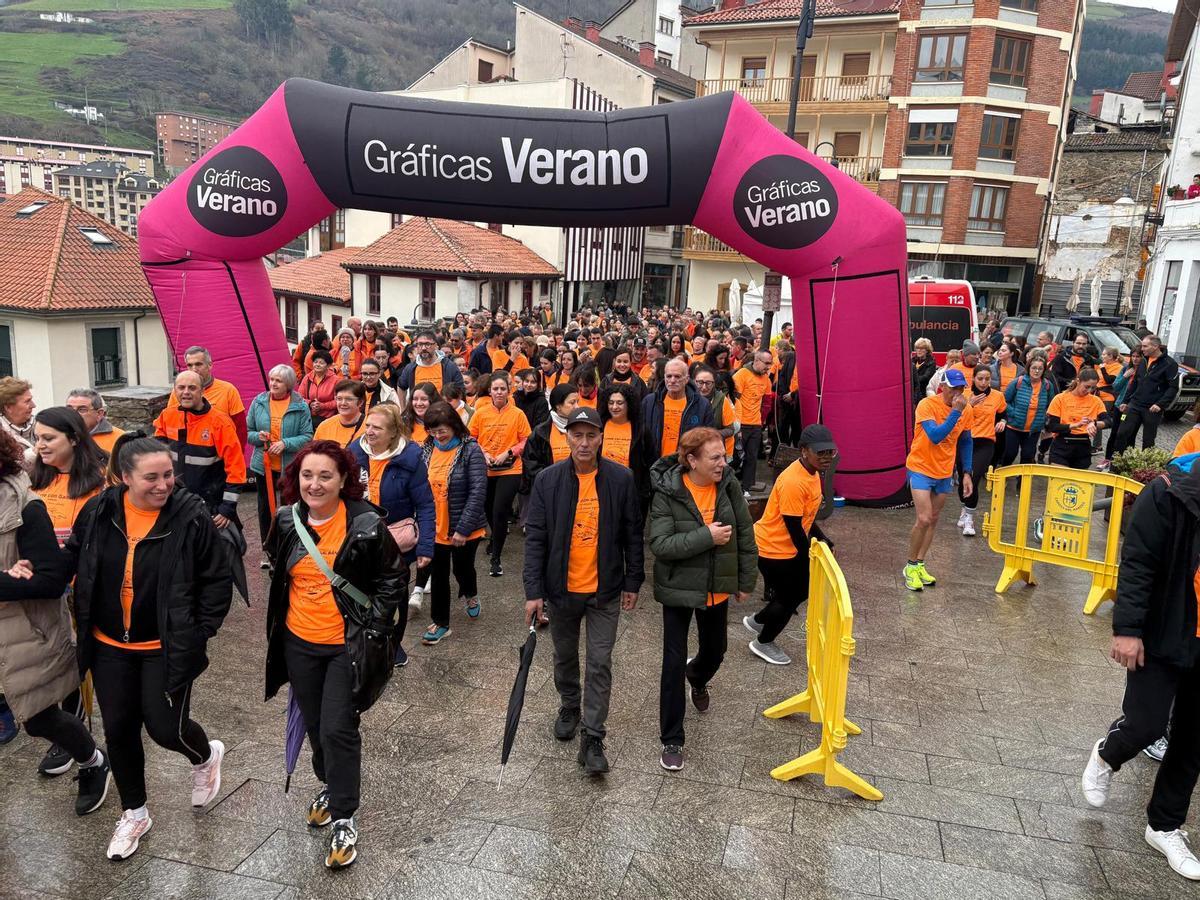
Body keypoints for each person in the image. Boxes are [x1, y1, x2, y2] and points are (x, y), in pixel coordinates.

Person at [56, 437, 232, 859]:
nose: (163, 484)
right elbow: (74, 556)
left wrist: (198, 632)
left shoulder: (190, 516)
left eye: (168, 475)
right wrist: (34, 570)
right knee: (119, 730)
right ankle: (134, 813)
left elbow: (216, 579)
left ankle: (205, 757)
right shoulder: (100, 510)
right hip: (108, 646)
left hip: (164, 646)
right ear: (125, 477)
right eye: (151, 477)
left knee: (166, 728)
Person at [265, 440, 406, 869]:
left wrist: (376, 627)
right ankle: (330, 783)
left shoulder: (365, 524)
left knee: (338, 729)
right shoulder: (286, 520)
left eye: (325, 475)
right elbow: (278, 568)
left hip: (347, 646)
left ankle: (344, 816)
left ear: (343, 479)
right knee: (315, 725)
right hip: (299, 644)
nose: (315, 484)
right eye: (307, 475)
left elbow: (393, 579)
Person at [1080, 455, 1200, 881]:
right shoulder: (1167, 493)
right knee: (1146, 726)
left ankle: (1164, 826)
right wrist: (1128, 629)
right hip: (1164, 631)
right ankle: (1107, 754)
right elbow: (1137, 562)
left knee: (1192, 740)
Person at [522, 407, 643, 775]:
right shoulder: (548, 480)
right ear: (567, 438)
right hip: (562, 590)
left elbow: (632, 533)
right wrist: (533, 591)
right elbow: (536, 538)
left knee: (600, 661)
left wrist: (633, 580)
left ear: (601, 438)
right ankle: (570, 703)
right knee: (564, 655)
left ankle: (593, 735)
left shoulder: (621, 479)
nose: (584, 442)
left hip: (605, 589)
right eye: (577, 435)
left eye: (591, 435)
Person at [0, 426, 111, 814]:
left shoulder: (26, 508)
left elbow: (50, 581)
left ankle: (93, 760)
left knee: (39, 719)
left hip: (24, 631)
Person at [648, 427, 755, 771]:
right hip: (678, 588)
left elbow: (744, 531)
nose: (723, 463)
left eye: (724, 456)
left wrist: (745, 580)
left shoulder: (728, 485)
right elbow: (660, 544)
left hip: (716, 586)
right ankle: (672, 738)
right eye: (715, 457)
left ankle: (697, 676)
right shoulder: (668, 491)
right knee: (672, 661)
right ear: (692, 460)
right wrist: (706, 536)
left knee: (715, 650)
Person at [348, 404, 434, 662]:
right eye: (367, 426)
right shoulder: (353, 453)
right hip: (360, 539)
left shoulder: (410, 458)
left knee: (394, 596)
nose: (369, 431)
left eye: (377, 427)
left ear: (394, 432)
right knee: (360, 592)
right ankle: (365, 643)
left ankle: (394, 645)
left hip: (395, 542)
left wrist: (426, 546)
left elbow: (425, 504)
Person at [744, 424, 836, 665]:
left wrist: (822, 537)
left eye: (830, 452)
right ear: (804, 451)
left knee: (795, 593)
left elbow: (807, 517)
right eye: (821, 452)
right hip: (772, 548)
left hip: (785, 546)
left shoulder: (812, 472)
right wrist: (805, 558)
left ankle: (759, 620)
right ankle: (763, 642)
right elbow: (793, 525)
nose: (826, 457)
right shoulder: (794, 481)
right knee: (792, 596)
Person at [417, 403, 488, 644]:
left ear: (455, 426)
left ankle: (471, 593)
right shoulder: (427, 449)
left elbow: (478, 491)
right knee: (438, 575)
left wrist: (463, 529)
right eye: (433, 431)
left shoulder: (470, 450)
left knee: (462, 569)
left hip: (463, 527)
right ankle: (441, 623)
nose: (438, 436)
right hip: (435, 526)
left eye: (442, 430)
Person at [903, 368, 974, 592]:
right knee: (923, 518)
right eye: (953, 388)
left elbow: (966, 440)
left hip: (944, 471)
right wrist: (955, 412)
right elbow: (935, 436)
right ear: (942, 387)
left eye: (961, 388)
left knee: (933, 519)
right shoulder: (927, 405)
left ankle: (920, 563)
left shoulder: (967, 409)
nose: (957, 393)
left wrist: (967, 472)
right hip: (921, 467)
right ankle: (910, 566)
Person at [154, 370, 247, 530]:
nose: (186, 392)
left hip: (210, 506)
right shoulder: (167, 416)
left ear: (203, 391)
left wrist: (227, 508)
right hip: (174, 503)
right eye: (181, 387)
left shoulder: (220, 423)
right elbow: (156, 458)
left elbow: (236, 468)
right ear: (174, 390)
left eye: (192, 388)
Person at [246, 365, 313, 562]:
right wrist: (258, 437)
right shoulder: (258, 402)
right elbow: (248, 432)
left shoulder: (300, 405)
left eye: (279, 381)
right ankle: (269, 550)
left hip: (289, 467)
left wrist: (285, 443)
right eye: (272, 379)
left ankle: (289, 548)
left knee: (290, 508)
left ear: (288, 384)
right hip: (263, 466)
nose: (273, 384)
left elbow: (307, 436)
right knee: (265, 509)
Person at [469, 372, 532, 578]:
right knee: (488, 508)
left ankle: (495, 559)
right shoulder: (480, 413)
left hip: (510, 468)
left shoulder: (517, 414)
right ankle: (496, 538)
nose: (499, 392)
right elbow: (470, 438)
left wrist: (510, 452)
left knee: (499, 510)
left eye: (502, 389)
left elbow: (526, 439)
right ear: (490, 390)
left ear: (509, 390)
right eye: (495, 389)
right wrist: (484, 453)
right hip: (486, 467)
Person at [957, 366, 1006, 537]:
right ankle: (964, 508)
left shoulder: (997, 396)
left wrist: (1003, 422)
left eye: (987, 379)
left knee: (973, 477)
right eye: (980, 379)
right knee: (962, 478)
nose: (984, 382)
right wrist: (969, 405)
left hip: (985, 442)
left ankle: (969, 519)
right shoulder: (963, 395)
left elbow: (1003, 414)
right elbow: (953, 417)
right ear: (973, 379)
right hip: (964, 441)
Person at [1111, 335, 1179, 455]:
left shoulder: (1170, 364)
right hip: (1135, 404)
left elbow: (1173, 388)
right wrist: (1125, 401)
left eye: (1145, 346)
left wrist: (1160, 404)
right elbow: (1134, 383)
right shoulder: (1143, 361)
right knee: (1122, 433)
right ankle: (1116, 462)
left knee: (1148, 440)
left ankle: (1145, 465)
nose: (1142, 349)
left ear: (1155, 346)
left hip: (1152, 408)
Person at [169, 346, 248, 446]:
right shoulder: (178, 392)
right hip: (188, 450)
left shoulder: (228, 390)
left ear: (210, 365)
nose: (194, 369)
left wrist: (236, 454)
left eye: (198, 364)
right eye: (190, 365)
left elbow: (240, 429)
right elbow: (170, 424)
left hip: (221, 451)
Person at [643, 358, 713, 462]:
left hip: (685, 464)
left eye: (677, 376)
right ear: (664, 377)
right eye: (669, 376)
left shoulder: (702, 405)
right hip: (654, 464)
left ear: (686, 379)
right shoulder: (650, 402)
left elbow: (708, 439)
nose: (672, 380)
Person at [1045, 368, 1109, 469]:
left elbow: (1108, 421)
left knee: (1077, 479)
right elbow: (1051, 426)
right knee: (1060, 478)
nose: (1089, 391)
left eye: (1093, 388)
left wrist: (1094, 423)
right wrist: (1074, 425)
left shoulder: (1096, 401)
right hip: (1062, 444)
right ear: (1078, 381)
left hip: (1083, 446)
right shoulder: (1060, 398)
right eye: (1087, 387)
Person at [1000, 356, 1057, 466]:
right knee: (1010, 454)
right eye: (1034, 368)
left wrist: (1044, 417)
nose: (1037, 371)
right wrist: (1013, 413)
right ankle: (1003, 474)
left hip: (1033, 429)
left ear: (1044, 370)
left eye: (1040, 368)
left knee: (1028, 456)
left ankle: (1022, 477)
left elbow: (1051, 405)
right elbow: (1004, 401)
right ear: (1028, 368)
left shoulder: (1047, 385)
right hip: (1014, 427)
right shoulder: (1018, 382)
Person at [732, 350, 772, 494]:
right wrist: (736, 423)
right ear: (756, 361)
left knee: (752, 457)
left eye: (770, 363)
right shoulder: (741, 375)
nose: (769, 367)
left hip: (755, 424)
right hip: (740, 424)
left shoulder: (766, 379)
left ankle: (747, 487)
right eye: (766, 363)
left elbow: (767, 402)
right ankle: (730, 484)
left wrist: (762, 420)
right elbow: (733, 401)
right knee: (735, 456)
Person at [524, 383, 580, 484]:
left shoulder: (582, 427)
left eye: (577, 402)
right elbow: (531, 464)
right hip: (551, 485)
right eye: (572, 403)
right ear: (558, 406)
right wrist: (549, 480)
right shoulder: (541, 432)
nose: (577, 406)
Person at [398, 330, 464, 397]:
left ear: (435, 345)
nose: (423, 348)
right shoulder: (410, 368)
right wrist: (403, 404)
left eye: (427, 344)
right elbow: (401, 387)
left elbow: (460, 389)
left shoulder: (449, 367)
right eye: (420, 344)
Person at [693, 365, 738, 461]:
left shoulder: (722, 400)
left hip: (717, 452)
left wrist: (709, 435)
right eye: (700, 383)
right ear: (694, 381)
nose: (704, 387)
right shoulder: (687, 398)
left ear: (714, 383)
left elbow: (730, 429)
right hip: (693, 451)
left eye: (708, 383)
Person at [66, 389, 125, 455]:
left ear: (99, 414)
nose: (73, 414)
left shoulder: (121, 439)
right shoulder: (60, 436)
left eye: (82, 410)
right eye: (69, 409)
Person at [314, 379, 368, 447]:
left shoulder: (369, 428)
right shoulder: (324, 427)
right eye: (339, 399)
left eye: (349, 399)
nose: (343, 403)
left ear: (360, 402)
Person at [0, 376, 35, 468]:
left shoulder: (42, 425)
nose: (33, 405)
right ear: (8, 407)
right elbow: (8, 469)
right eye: (27, 401)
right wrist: (34, 453)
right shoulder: (2, 437)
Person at [298, 350, 339, 426]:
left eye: (321, 363)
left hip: (328, 419)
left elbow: (338, 401)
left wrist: (322, 406)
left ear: (328, 365)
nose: (317, 365)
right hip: (309, 418)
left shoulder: (336, 380)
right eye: (315, 362)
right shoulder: (307, 378)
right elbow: (299, 397)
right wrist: (310, 403)